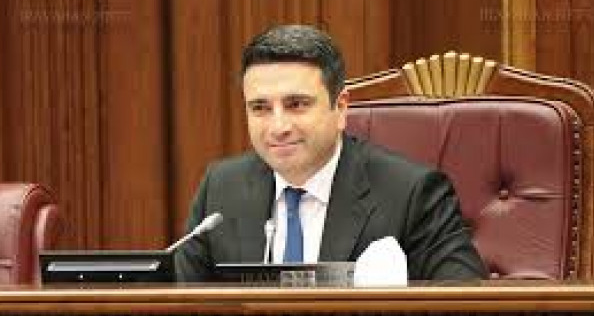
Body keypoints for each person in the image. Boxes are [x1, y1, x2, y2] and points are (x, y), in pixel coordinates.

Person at [174, 24, 488, 281]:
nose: (278, 127)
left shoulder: (411, 194)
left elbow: (465, 308)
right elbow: (180, 309)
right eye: (260, 108)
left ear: (341, 108)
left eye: (296, 105)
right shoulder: (221, 189)